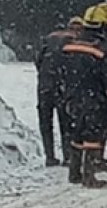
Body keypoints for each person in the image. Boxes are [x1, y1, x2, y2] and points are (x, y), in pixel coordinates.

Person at [61, 4, 107, 188]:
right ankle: (89, 176)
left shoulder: (71, 45)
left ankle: (74, 172)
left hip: (72, 97)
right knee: (93, 136)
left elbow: (61, 71)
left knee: (77, 134)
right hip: (95, 99)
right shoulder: (102, 48)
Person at [34, 16, 81, 166]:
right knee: (65, 121)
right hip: (62, 85)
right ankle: (68, 156)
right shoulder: (74, 41)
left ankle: (49, 156)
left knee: (45, 122)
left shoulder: (49, 39)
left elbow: (38, 60)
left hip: (44, 85)